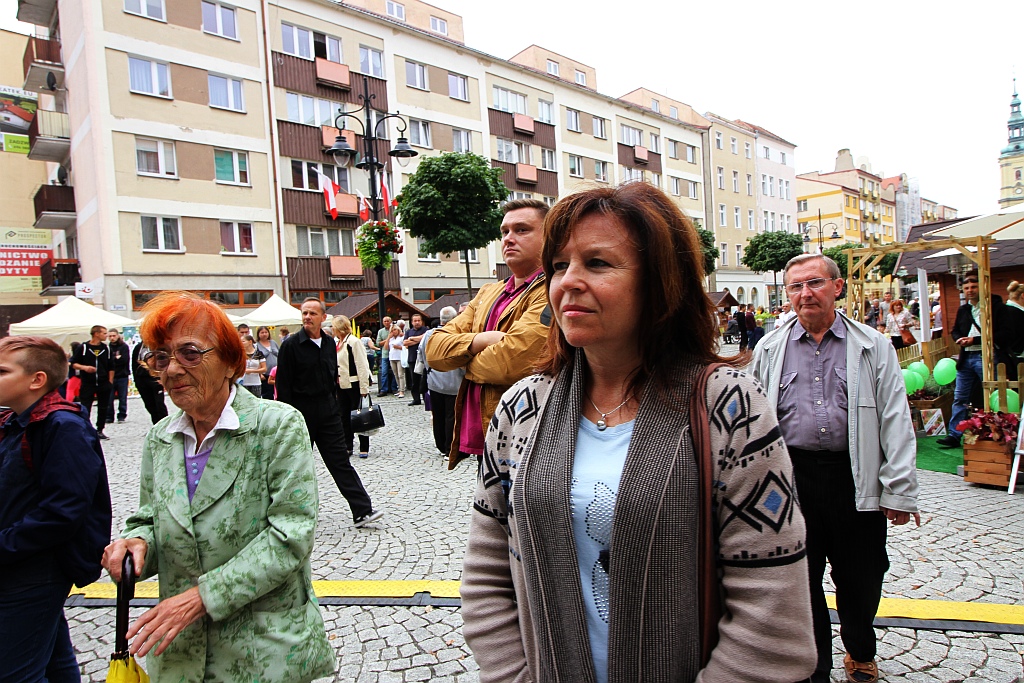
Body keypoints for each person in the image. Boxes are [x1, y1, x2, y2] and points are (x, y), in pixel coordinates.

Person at [462, 183, 815, 683]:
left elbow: (772, 621)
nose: (568, 282)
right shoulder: (523, 407)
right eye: (559, 265)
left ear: (659, 283)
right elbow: (487, 571)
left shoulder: (729, 406)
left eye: (597, 263)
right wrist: (514, 676)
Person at [100, 292, 334, 682]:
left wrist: (201, 598)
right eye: (161, 357)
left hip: (262, 651)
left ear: (229, 361)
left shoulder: (276, 425)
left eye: (189, 353)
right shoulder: (160, 437)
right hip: (179, 655)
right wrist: (136, 544)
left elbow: (291, 534)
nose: (172, 369)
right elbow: (149, 519)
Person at [751, 253, 920, 683]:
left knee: (862, 576)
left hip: (854, 476)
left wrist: (898, 490)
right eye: (796, 286)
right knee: (801, 579)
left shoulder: (873, 345)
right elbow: (755, 421)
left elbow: (895, 418)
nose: (805, 293)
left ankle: (860, 650)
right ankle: (815, 666)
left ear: (837, 287)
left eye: (815, 283)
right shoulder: (770, 348)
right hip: (793, 480)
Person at [0, 336, 112, 683]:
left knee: (15, 674)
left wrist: (4, 544)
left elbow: (63, 511)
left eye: (2, 371)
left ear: (37, 380)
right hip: (19, 564)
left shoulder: (63, 426)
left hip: (36, 569)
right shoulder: (15, 420)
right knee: (53, 661)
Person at [427, 198, 551, 470]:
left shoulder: (553, 290)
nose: (508, 239)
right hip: (485, 432)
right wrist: (481, 340)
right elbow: (433, 350)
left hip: (528, 429)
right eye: (504, 231)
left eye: (522, 230)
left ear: (550, 236)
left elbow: (510, 363)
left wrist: (461, 361)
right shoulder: (488, 292)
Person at [276, 297, 383, 527]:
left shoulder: (328, 343)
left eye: (312, 313)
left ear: (323, 317)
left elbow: (332, 377)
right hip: (300, 414)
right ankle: (289, 514)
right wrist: (287, 418)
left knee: (340, 461)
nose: (307, 317)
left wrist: (334, 407)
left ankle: (362, 511)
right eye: (304, 313)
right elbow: (283, 386)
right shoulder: (290, 345)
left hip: (328, 413)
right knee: (296, 466)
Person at [939, 274, 1014, 447]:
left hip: (987, 355)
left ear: (982, 287)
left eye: (973, 287)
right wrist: (959, 339)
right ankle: (954, 434)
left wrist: (975, 340)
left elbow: (1005, 334)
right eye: (966, 288)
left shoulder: (996, 307)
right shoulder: (964, 310)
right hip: (966, 357)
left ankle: (998, 432)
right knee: (960, 397)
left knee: (993, 395)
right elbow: (955, 330)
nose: (970, 291)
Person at [420, 306, 465, 457]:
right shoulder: (457, 335)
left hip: (434, 380)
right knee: (451, 416)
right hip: (454, 381)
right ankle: (450, 448)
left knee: (438, 415)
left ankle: (440, 445)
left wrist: (429, 369)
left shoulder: (429, 335)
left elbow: (422, 355)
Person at [334, 315, 372, 459]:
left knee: (360, 416)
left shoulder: (354, 342)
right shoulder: (337, 342)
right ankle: (347, 445)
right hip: (341, 384)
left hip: (354, 384)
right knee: (343, 417)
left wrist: (364, 388)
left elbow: (362, 365)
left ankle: (364, 447)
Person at [71, 325, 113, 440]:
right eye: (104, 333)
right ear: (96, 334)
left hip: (103, 382)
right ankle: (85, 428)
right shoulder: (83, 347)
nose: (106, 336)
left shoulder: (106, 348)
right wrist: (84, 368)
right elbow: (73, 363)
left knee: (103, 407)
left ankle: (100, 429)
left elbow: (111, 366)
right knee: (85, 407)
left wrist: (110, 381)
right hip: (88, 383)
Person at [133, 341, 169, 424]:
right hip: (141, 379)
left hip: (155, 379)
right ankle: (156, 424)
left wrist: (162, 378)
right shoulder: (138, 347)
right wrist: (136, 380)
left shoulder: (157, 346)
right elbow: (134, 364)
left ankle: (165, 424)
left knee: (159, 404)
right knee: (149, 404)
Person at [402, 313, 428, 406]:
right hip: (412, 358)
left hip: (424, 359)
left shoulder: (426, 330)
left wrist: (412, 339)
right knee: (414, 381)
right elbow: (405, 343)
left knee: (424, 380)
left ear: (421, 321)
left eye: (418, 320)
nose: (417, 322)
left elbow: (425, 338)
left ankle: (426, 399)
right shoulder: (408, 332)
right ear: (412, 322)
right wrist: (419, 340)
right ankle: (416, 399)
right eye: (415, 321)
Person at [106, 328, 131, 423]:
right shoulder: (107, 348)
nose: (112, 338)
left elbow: (124, 360)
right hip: (111, 376)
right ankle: (109, 416)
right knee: (109, 397)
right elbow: (107, 362)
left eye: (114, 336)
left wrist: (115, 360)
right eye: (110, 336)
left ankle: (122, 415)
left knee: (122, 397)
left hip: (122, 375)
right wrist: (115, 359)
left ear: (117, 336)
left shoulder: (123, 347)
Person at [255, 326, 279, 400]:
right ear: (258, 334)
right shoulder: (256, 345)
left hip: (276, 372)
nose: (264, 334)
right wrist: (260, 373)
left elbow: (280, 354)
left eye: (266, 332)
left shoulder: (273, 342)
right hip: (266, 374)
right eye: (262, 333)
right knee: (267, 394)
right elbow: (255, 360)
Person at [376, 317, 396, 396]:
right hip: (385, 354)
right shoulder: (381, 331)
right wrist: (388, 338)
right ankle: (383, 389)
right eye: (385, 321)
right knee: (384, 372)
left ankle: (394, 388)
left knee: (395, 372)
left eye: (388, 321)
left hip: (394, 354)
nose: (386, 322)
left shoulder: (395, 329)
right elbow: (378, 343)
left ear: (391, 321)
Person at [388, 325, 407, 398]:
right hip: (392, 357)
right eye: (392, 330)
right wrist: (388, 338)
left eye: (395, 330)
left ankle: (402, 390)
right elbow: (386, 347)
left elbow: (405, 347)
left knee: (400, 374)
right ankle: (399, 389)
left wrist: (398, 347)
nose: (394, 331)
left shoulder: (402, 337)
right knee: (395, 375)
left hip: (400, 357)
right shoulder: (391, 339)